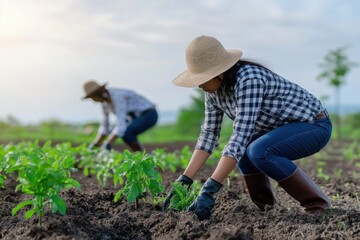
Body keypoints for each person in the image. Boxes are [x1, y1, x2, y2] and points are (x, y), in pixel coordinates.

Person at [163, 35, 332, 220]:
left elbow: (241, 135)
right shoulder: (212, 91)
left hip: (313, 126)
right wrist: (184, 180)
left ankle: (318, 205)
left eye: (202, 78)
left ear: (219, 72)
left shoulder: (249, 78)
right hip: (280, 129)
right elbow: (209, 134)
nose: (199, 84)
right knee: (244, 152)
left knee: (259, 150)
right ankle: (267, 209)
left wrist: (210, 189)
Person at [82, 80, 158, 151]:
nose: (93, 100)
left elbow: (121, 124)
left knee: (127, 133)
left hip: (149, 114)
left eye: (92, 97)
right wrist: (95, 144)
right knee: (117, 130)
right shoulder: (104, 103)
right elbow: (105, 126)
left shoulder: (117, 96)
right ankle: (141, 158)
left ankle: (143, 159)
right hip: (134, 117)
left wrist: (107, 143)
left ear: (97, 94)